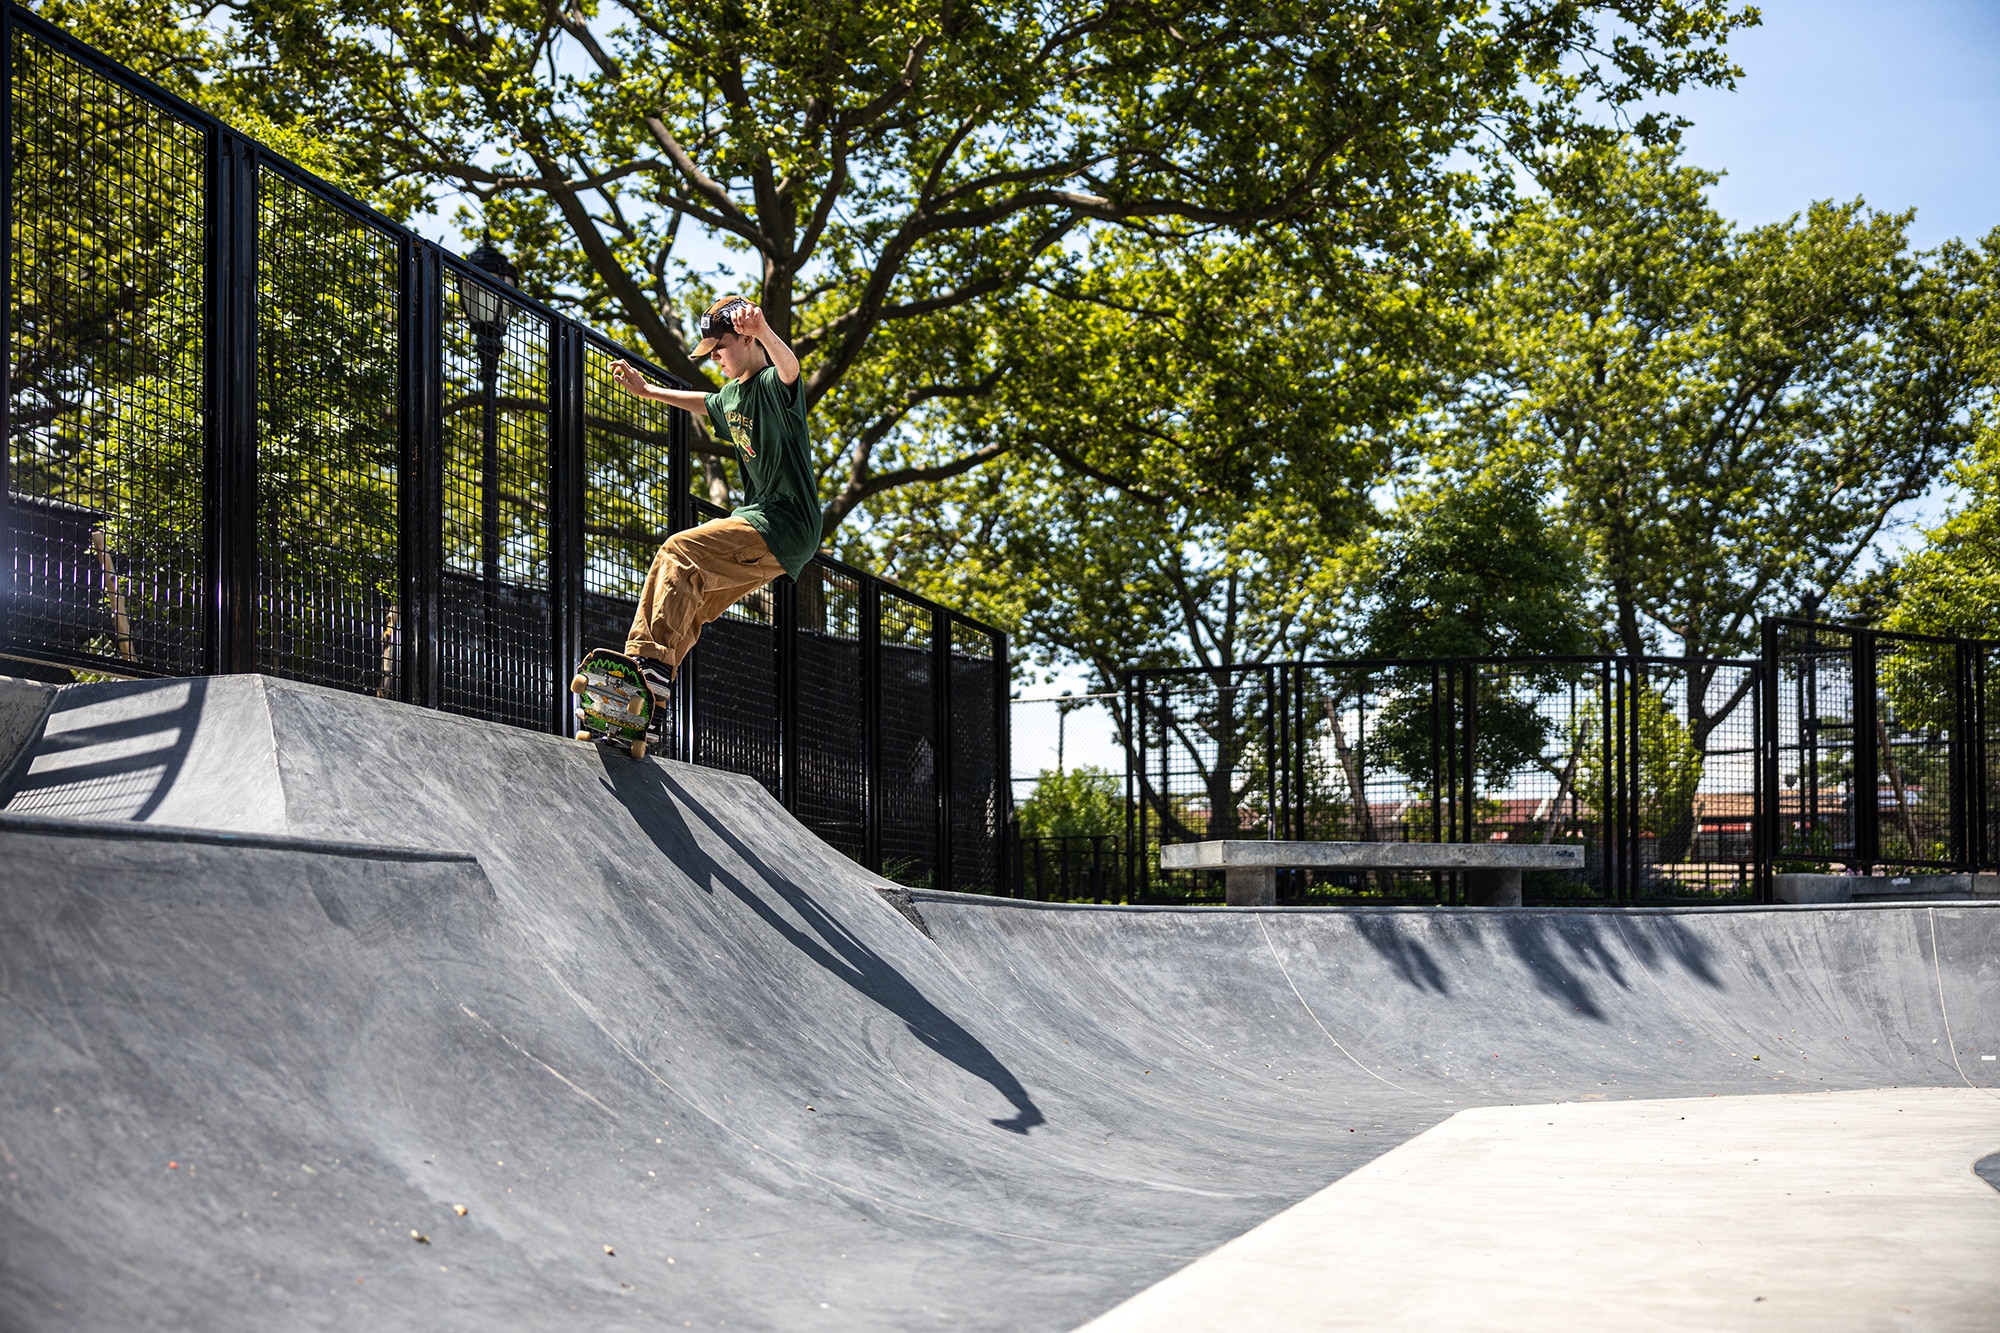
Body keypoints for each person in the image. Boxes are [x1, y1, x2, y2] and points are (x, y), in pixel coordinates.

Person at [608, 295, 820, 703]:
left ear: (744, 340)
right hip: (772, 529)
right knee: (693, 597)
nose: (715, 357)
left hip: (784, 519)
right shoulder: (731, 396)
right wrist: (647, 390)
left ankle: (639, 667)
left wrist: (765, 332)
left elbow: (791, 369)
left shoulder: (773, 386)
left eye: (720, 347)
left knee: (678, 551)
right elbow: (704, 403)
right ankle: (646, 704)